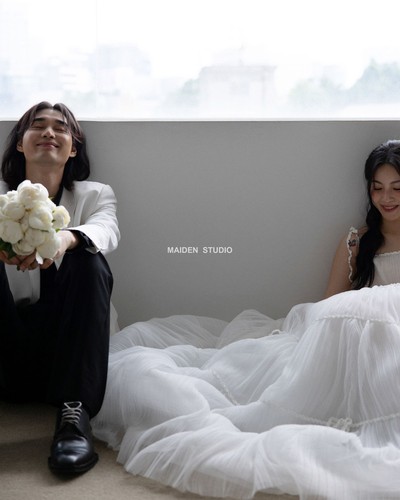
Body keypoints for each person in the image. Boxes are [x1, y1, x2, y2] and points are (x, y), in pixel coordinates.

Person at [92, 140, 400, 499]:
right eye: (377, 188)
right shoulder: (356, 241)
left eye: (396, 187)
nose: (386, 197)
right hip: (355, 343)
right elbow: (330, 305)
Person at [0, 102, 120, 475]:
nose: (49, 132)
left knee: (89, 258)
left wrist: (65, 240)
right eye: (38, 125)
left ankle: (74, 420)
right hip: (6, 352)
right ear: (20, 143)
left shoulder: (95, 195)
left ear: (73, 148)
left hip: (67, 359)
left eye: (61, 128)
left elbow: (106, 231)